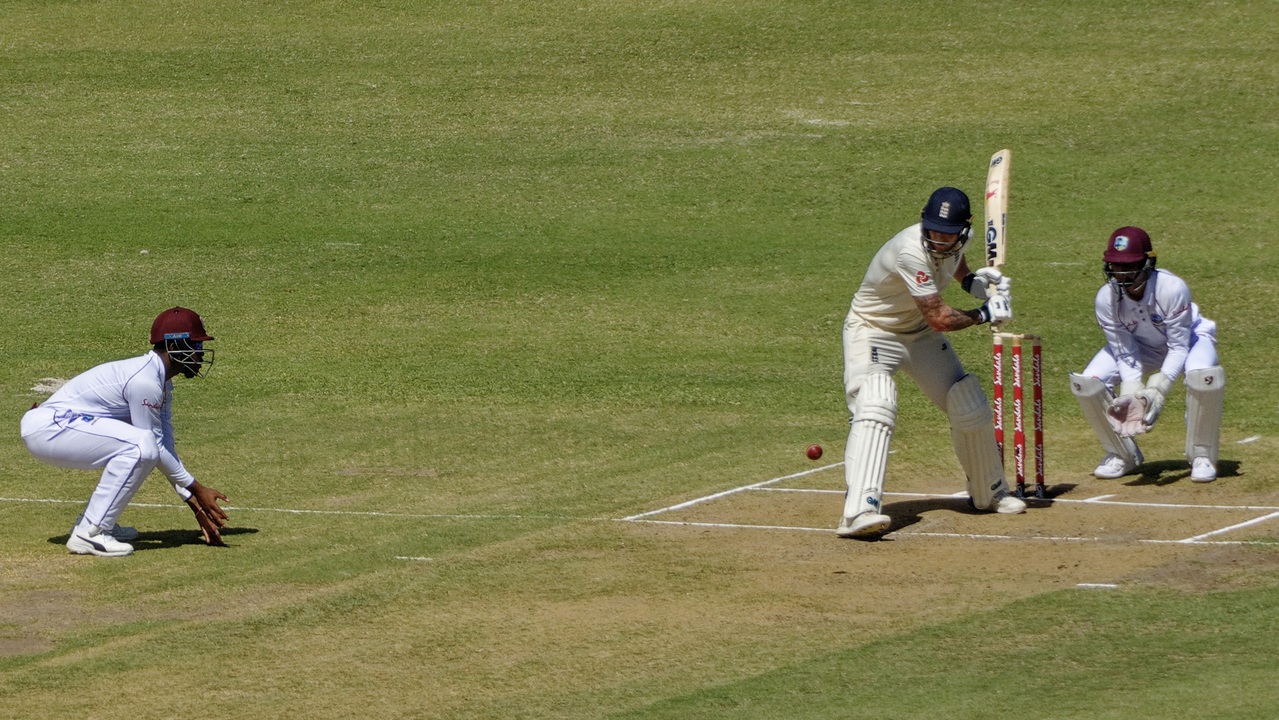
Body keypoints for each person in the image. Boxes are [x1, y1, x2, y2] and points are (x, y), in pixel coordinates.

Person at [837, 187, 1025, 539]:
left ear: (963, 232)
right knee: (875, 403)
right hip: (872, 330)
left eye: (947, 234)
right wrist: (985, 313)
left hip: (918, 334)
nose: (938, 240)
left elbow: (955, 262)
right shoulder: (910, 250)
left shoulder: (958, 241)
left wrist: (973, 282)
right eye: (932, 231)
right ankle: (859, 511)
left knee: (966, 400)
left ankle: (991, 492)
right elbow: (940, 317)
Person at [20, 307, 229, 556]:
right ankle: (91, 533)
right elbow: (152, 446)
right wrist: (196, 488)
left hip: (60, 426)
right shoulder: (145, 382)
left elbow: (165, 445)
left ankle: (95, 522)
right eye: (196, 346)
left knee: (143, 445)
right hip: (50, 428)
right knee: (140, 445)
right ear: (174, 347)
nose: (200, 354)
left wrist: (194, 501)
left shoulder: (160, 382)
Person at [1069, 227, 1224, 482]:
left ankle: (1201, 454)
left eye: (1130, 266)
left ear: (1147, 263)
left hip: (1191, 340)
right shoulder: (1106, 299)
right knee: (1087, 383)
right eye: (1117, 266)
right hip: (1142, 346)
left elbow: (1179, 347)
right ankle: (1122, 454)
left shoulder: (1171, 288)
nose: (1123, 274)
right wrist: (1131, 393)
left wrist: (1157, 390)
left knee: (1203, 376)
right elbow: (1124, 351)